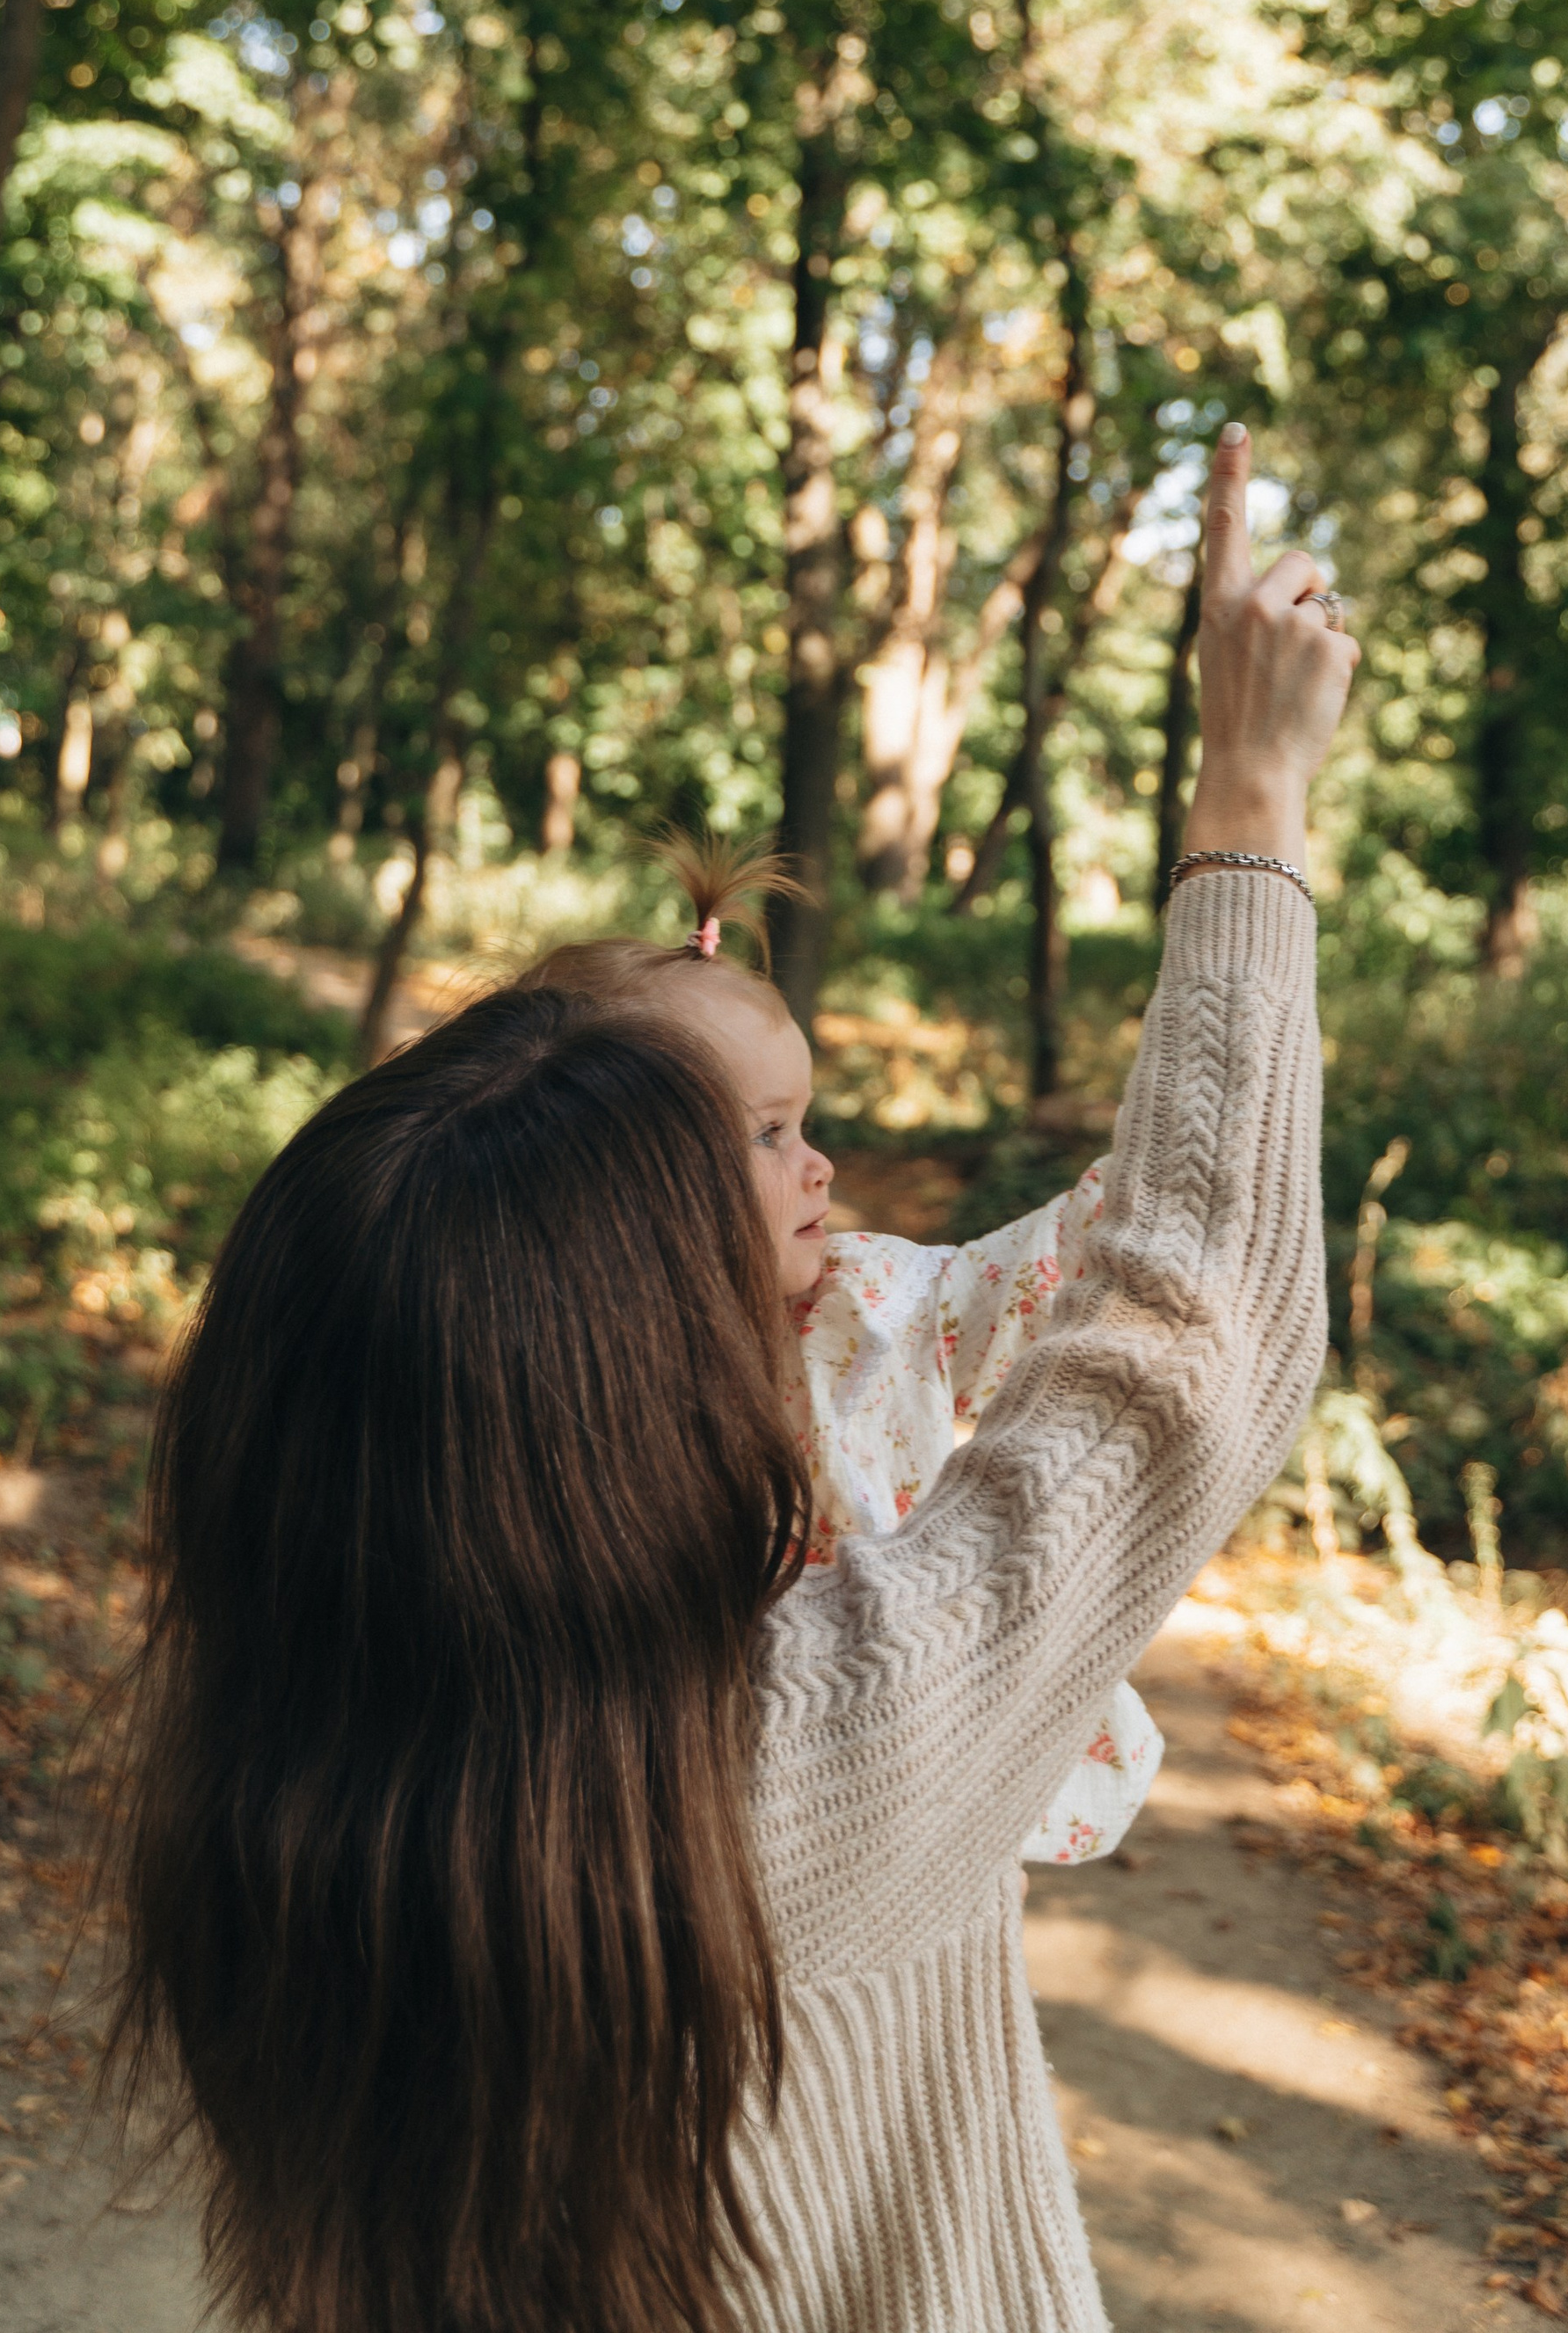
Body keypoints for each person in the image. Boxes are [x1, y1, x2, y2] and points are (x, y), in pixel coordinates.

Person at [102, 423, 1356, 2333]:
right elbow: (1191, 1331)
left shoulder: (268, 1797)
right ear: (641, 1346)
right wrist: (1247, 792)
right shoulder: (812, 1756)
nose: (810, 1193)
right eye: (744, 1159)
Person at [518, 839, 1162, 1867]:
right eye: (768, 1134)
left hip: (877, 1761)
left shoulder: (861, 1306)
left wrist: (1165, 1151)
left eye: (803, 1122)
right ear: (626, 1174)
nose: (819, 1165)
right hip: (660, 1804)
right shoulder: (552, 1359)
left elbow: (1037, 1272)